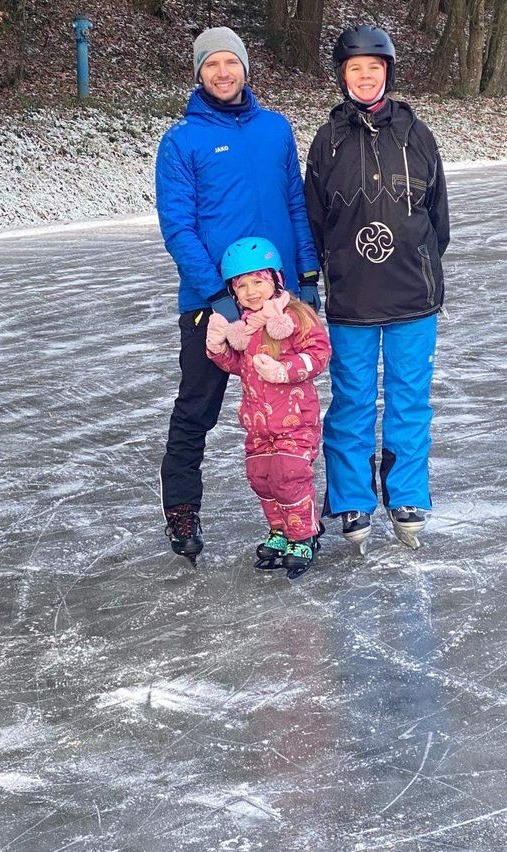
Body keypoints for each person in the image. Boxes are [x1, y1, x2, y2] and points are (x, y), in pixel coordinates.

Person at [156, 26, 320, 561]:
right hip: (214, 308)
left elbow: (295, 205)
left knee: (293, 414)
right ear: (198, 73)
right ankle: (182, 514)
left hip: (280, 303)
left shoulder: (276, 130)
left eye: (231, 62)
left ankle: (304, 518)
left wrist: (307, 280)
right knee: (196, 411)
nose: (222, 73)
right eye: (211, 65)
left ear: (246, 68)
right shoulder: (181, 140)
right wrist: (219, 299)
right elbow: (178, 227)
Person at [304, 25, 450, 552]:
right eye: (354, 69)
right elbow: (314, 217)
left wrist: (421, 261)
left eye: (374, 68)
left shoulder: (415, 133)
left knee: (410, 399)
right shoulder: (328, 139)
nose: (365, 77)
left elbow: (440, 218)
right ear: (342, 78)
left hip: (413, 294)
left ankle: (408, 494)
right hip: (352, 297)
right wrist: (324, 272)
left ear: (388, 73)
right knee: (352, 401)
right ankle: (351, 499)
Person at [205, 237, 331, 579]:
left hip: (295, 420)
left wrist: (284, 370)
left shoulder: (294, 316)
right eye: (241, 285)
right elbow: (237, 365)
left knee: (289, 476)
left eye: (257, 281)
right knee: (262, 478)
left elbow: (318, 354)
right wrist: (218, 346)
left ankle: (303, 534)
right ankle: (280, 531)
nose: (250, 291)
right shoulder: (245, 326)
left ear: (275, 280)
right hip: (258, 423)